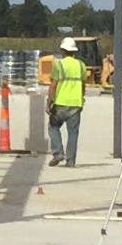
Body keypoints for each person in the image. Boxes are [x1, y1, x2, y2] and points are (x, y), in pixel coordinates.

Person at [45, 35, 89, 166]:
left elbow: (53, 85)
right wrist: (81, 99)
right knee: (73, 133)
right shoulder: (81, 65)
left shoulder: (59, 65)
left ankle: (58, 153)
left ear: (63, 50)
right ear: (74, 51)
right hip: (76, 104)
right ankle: (71, 161)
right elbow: (83, 85)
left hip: (60, 103)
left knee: (53, 127)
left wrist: (49, 102)